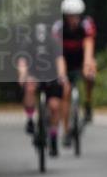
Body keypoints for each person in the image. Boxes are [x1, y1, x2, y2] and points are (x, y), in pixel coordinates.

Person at [16, 20, 68, 157]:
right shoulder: (28, 41)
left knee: (54, 106)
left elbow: (59, 60)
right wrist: (23, 75)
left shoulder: (53, 41)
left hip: (51, 76)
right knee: (29, 87)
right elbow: (22, 60)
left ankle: (53, 136)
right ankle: (30, 119)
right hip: (34, 74)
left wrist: (62, 75)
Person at [54, 0, 97, 147]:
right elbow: (58, 54)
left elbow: (89, 45)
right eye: (70, 16)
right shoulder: (59, 28)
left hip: (81, 57)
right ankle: (66, 131)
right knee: (65, 90)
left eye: (76, 16)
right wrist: (62, 75)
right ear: (65, 16)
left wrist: (87, 65)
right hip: (64, 59)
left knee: (90, 73)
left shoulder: (86, 24)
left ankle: (88, 103)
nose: (74, 19)